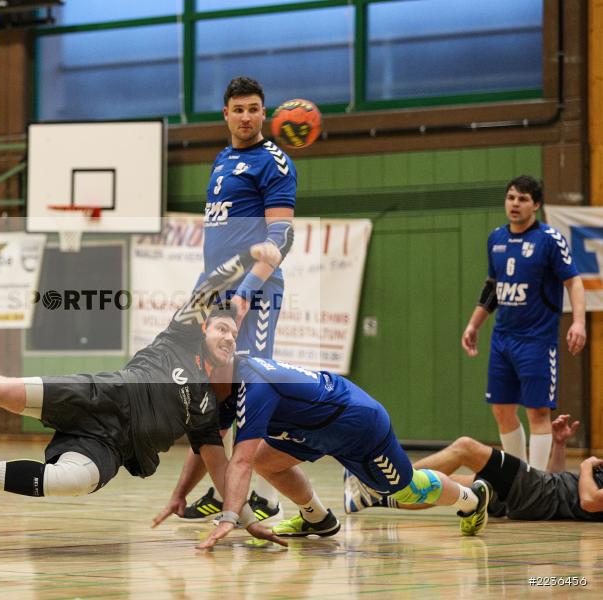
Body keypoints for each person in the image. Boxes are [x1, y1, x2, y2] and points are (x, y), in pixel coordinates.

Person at [0, 247, 285, 546]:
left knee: (73, 480)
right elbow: (209, 288)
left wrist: (243, 517)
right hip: (101, 395)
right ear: (203, 330)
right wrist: (248, 259)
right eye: (222, 330)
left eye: (234, 336)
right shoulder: (179, 336)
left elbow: (218, 464)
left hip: (115, 446)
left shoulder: (207, 406)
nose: (229, 337)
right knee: (6, 391)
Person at [194, 357, 491, 550]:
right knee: (266, 460)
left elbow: (240, 461)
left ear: (215, 367)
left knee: (407, 490)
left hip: (357, 426)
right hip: (311, 428)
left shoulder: (254, 385)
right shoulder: (223, 390)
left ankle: (472, 499)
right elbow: (212, 449)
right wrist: (180, 494)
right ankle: (317, 518)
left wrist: (230, 518)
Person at [181, 76, 297, 523]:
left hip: (256, 293)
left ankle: (278, 498)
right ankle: (235, 493)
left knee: (249, 390)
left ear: (263, 113)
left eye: (254, 108)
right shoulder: (223, 158)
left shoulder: (275, 163)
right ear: (225, 114)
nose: (246, 116)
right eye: (239, 109)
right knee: (213, 393)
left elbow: (280, 238)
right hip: (216, 291)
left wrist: (244, 295)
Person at [461, 175, 586, 471]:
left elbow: (574, 282)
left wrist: (578, 322)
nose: (515, 204)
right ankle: (518, 478)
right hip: (503, 337)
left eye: (523, 199)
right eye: (511, 197)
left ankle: (537, 484)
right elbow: (493, 288)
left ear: (537, 205)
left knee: (537, 412)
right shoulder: (496, 239)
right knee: (502, 410)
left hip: (537, 340)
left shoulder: (549, 240)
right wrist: (474, 324)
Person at [344, 415, 603, 521]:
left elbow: (589, 500)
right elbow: (561, 483)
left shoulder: (591, 468)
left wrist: (587, 464)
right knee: (454, 485)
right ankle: (372, 498)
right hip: (541, 494)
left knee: (465, 448)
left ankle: (379, 483)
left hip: (537, 493)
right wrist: (559, 445)